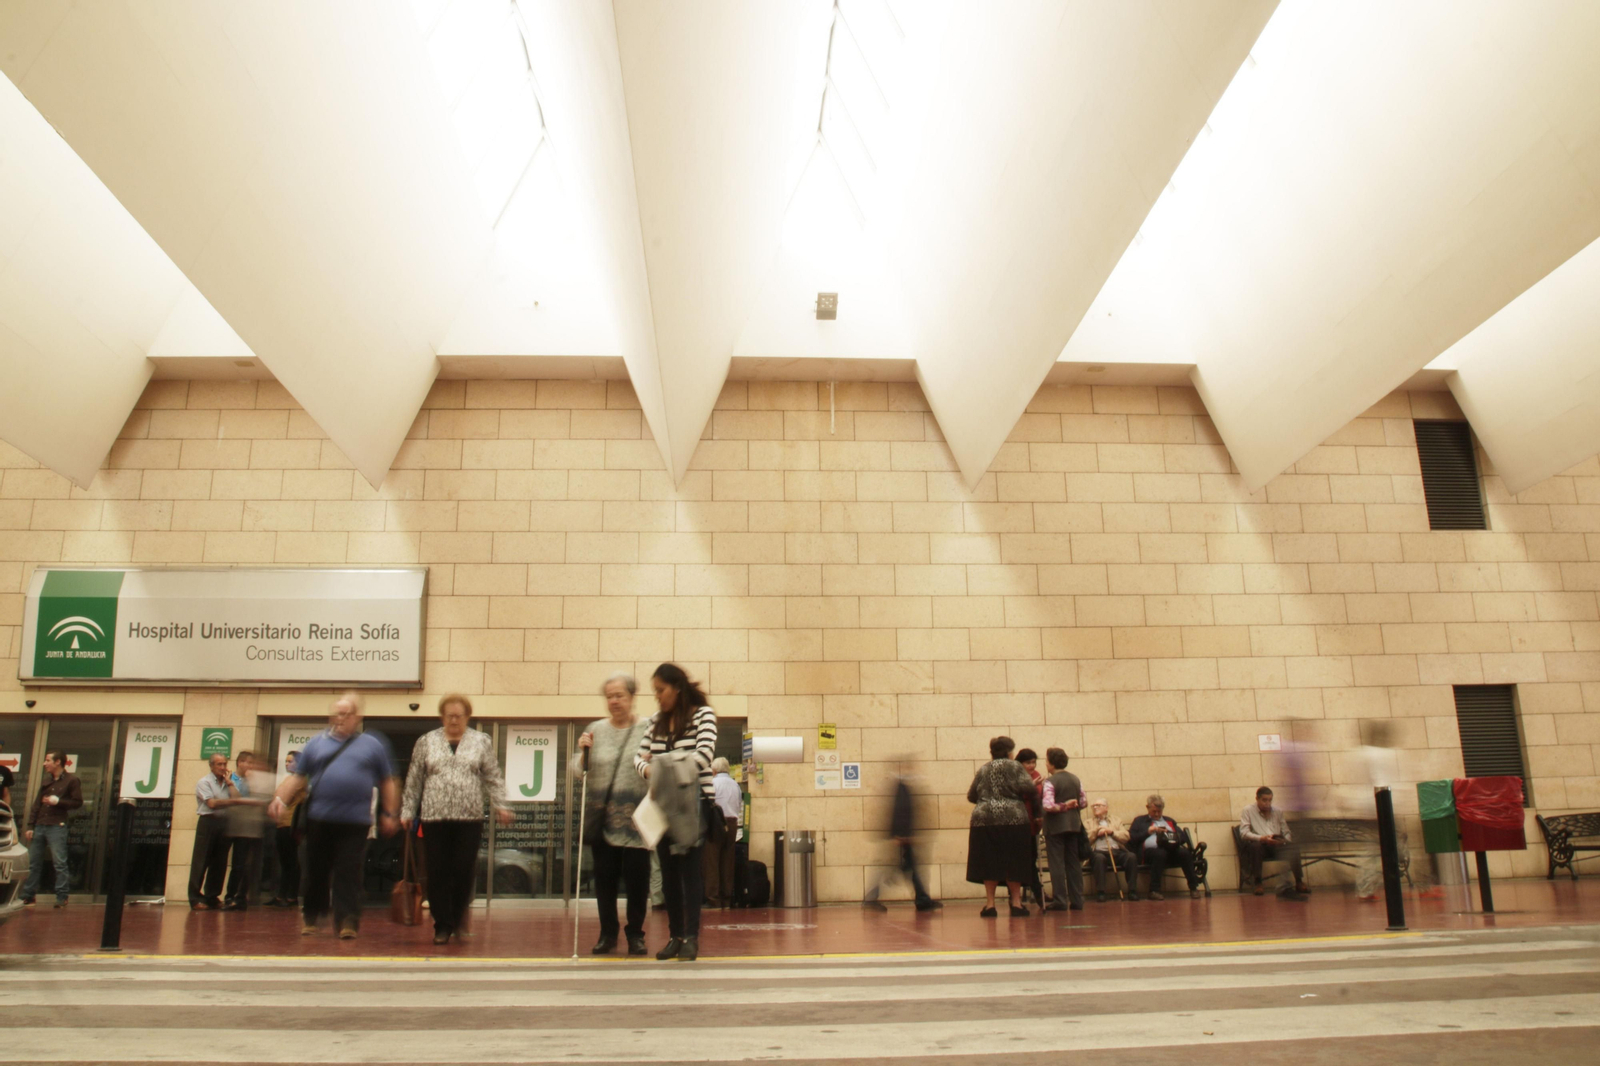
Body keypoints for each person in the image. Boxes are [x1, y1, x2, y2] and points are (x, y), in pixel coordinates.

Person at [268, 692, 400, 939]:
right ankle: (312, 915)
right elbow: (298, 777)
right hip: (320, 819)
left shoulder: (372, 745)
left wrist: (390, 813)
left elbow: (387, 781)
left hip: (355, 821)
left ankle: (348, 920)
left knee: (349, 871)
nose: (341, 718)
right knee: (316, 869)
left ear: (356, 716)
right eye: (337, 713)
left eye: (346, 713)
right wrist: (280, 799)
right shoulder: (316, 744)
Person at [401, 694, 513, 945]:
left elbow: (493, 777)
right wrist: (408, 810)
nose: (454, 720)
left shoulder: (480, 741)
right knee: (437, 871)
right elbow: (415, 778)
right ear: (442, 717)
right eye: (449, 716)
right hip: (434, 817)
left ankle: (457, 913)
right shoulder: (427, 741)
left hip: (469, 818)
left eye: (459, 716)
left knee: (463, 870)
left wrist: (501, 805)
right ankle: (442, 925)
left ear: (467, 717)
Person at [635, 662, 717, 962]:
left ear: (677, 688)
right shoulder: (655, 721)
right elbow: (638, 759)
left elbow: (704, 755)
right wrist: (654, 768)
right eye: (655, 691)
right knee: (668, 874)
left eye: (661, 690)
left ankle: (692, 938)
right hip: (662, 806)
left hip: (693, 804)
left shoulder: (703, 715)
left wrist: (660, 766)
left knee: (691, 874)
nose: (657, 697)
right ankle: (675, 936)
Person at [575, 672, 654, 956]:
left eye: (619, 695)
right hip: (603, 819)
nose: (614, 701)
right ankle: (607, 934)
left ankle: (635, 934)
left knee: (637, 882)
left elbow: (657, 767)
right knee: (605, 881)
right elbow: (578, 771)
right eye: (609, 696)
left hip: (637, 820)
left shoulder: (648, 728)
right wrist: (583, 752)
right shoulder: (595, 729)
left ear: (632, 697)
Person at [965, 735, 1037, 918]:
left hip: (984, 820)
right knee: (1015, 861)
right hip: (1014, 819)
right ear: (1010, 751)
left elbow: (972, 795)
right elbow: (1030, 789)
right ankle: (1016, 903)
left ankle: (990, 905)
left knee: (989, 862)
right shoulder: (1015, 767)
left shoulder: (984, 769)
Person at [864, 759, 940, 912]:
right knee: (897, 868)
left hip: (902, 837)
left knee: (909, 867)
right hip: (901, 837)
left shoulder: (902, 786)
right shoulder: (901, 788)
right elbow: (900, 812)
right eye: (909, 766)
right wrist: (901, 835)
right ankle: (871, 898)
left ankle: (922, 899)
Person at [19, 750, 82, 908]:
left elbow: (77, 802)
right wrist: (31, 825)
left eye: (48, 760)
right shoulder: (46, 781)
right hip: (40, 825)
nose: (44, 763)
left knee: (59, 862)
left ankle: (62, 896)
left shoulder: (72, 780)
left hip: (57, 825)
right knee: (34, 862)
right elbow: (37, 804)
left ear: (58, 762)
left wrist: (58, 802)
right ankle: (29, 895)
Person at [1127, 794, 1202, 900]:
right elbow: (1132, 838)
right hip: (1150, 853)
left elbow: (1183, 837)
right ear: (1147, 808)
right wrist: (1148, 831)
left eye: (1159, 811)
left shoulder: (1169, 821)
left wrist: (1171, 835)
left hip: (1171, 850)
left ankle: (1193, 888)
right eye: (1154, 811)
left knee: (1184, 853)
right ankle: (1154, 890)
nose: (1157, 814)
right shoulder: (1140, 821)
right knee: (1160, 853)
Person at [1239, 786, 1308, 899]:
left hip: (1277, 845)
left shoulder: (1278, 811)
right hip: (1261, 845)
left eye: (1270, 800)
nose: (1267, 803)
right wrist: (1262, 838)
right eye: (1264, 800)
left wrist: (1283, 841)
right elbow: (1244, 833)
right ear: (1257, 799)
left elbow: (1286, 831)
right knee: (1255, 847)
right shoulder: (1248, 810)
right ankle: (1258, 883)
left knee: (1293, 848)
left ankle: (1299, 881)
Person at [1039, 747, 1086, 911]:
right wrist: (1072, 805)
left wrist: (1063, 806)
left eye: (1046, 761)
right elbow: (1083, 802)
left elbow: (1048, 805)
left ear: (1051, 764)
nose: (1045, 764)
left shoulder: (1050, 782)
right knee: (1073, 863)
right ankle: (1077, 899)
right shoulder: (1075, 779)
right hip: (1074, 825)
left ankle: (1060, 900)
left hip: (1055, 827)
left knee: (1056, 864)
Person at [222, 751, 269, 911]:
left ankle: (240, 897)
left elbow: (260, 800)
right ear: (240, 762)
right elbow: (234, 798)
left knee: (245, 864)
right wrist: (230, 784)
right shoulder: (232, 779)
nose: (251, 766)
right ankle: (230, 896)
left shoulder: (254, 780)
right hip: (235, 825)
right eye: (248, 762)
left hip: (250, 827)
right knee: (237, 864)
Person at [703, 757, 742, 909]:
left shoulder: (713, 783)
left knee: (712, 861)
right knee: (728, 861)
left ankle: (713, 899)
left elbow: (708, 805)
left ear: (714, 770)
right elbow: (738, 806)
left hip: (716, 823)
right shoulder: (735, 785)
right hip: (732, 824)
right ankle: (727, 898)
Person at [267, 750, 303, 909]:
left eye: (291, 761)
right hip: (281, 823)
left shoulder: (300, 779)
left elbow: (282, 797)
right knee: (284, 861)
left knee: (291, 861)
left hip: (290, 824)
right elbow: (277, 796)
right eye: (286, 761)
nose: (287, 764)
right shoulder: (289, 779)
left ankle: (291, 896)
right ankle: (281, 894)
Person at [1084, 798, 1135, 902]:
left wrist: (1111, 832)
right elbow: (1085, 840)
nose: (1094, 807)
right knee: (1099, 858)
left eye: (1098, 805)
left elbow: (1126, 836)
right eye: (1093, 806)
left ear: (1106, 808)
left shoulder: (1116, 820)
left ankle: (1132, 891)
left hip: (1117, 851)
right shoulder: (1087, 823)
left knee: (1131, 857)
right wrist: (1096, 832)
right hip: (1098, 852)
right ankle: (1101, 892)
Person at [1014, 748, 1047, 908]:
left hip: (1033, 824)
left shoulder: (1036, 775)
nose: (1032, 766)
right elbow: (1013, 796)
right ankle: (1036, 894)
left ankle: (1037, 893)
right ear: (1020, 763)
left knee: (1031, 859)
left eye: (1034, 762)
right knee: (1022, 861)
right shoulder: (1015, 776)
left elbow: (1039, 798)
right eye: (1028, 762)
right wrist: (1030, 787)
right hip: (1018, 822)